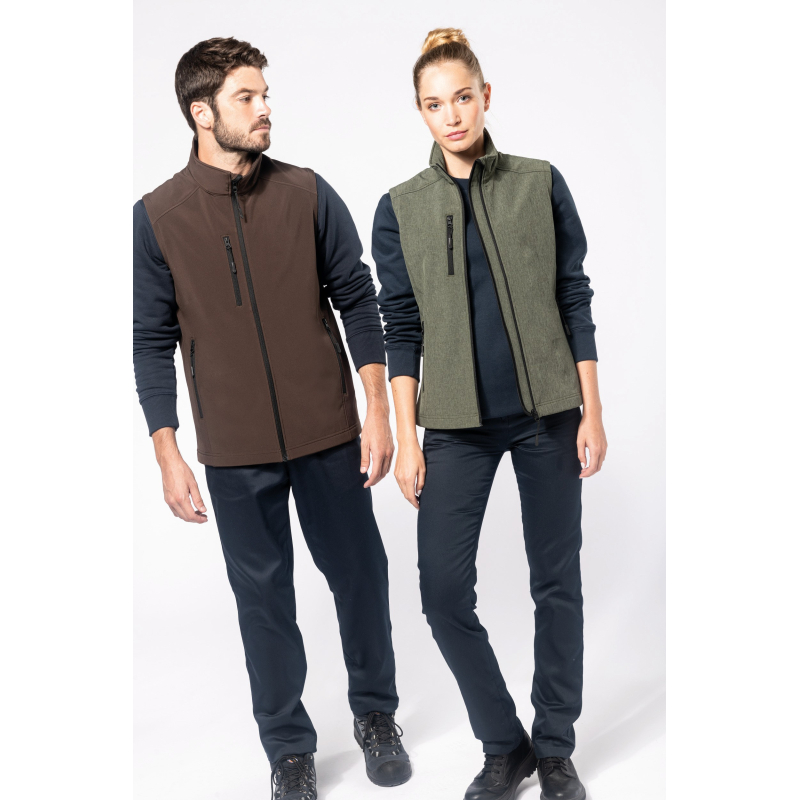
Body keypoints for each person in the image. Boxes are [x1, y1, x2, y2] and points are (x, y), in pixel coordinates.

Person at [133, 37, 411, 799]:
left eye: (265, 95)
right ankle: (289, 750)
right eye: (247, 97)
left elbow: (358, 299)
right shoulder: (157, 217)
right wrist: (168, 452)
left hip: (329, 431)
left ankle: (376, 715)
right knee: (264, 603)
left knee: (361, 577)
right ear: (202, 113)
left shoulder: (307, 193)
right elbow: (150, 339)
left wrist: (377, 412)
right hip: (233, 449)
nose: (264, 109)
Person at [373, 28, 607, 800]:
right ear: (420, 111)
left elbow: (573, 294)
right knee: (442, 593)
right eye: (434, 104)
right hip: (454, 427)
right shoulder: (399, 208)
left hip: (548, 414)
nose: (452, 115)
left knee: (556, 582)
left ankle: (556, 747)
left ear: (486, 96)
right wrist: (409, 439)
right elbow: (400, 327)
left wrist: (591, 410)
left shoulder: (538, 182)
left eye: (463, 98)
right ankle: (505, 744)